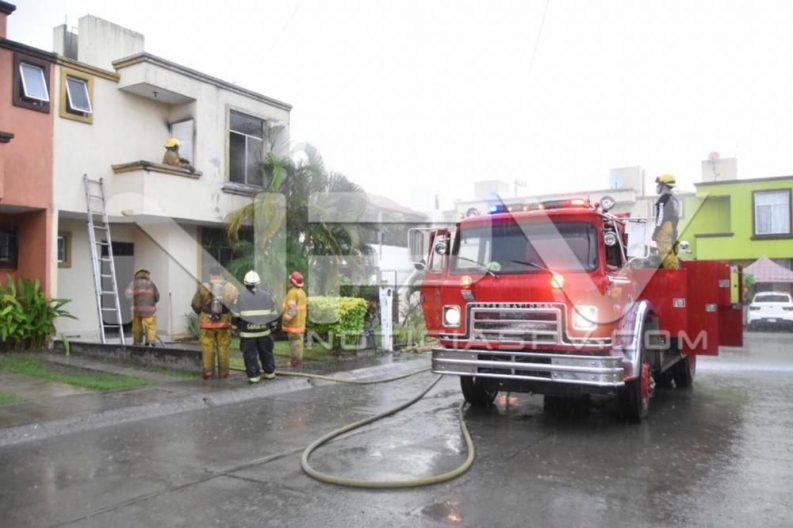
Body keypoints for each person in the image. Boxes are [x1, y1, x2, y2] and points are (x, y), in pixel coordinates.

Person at [191, 267, 239, 379]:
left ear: (210, 274)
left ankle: (208, 373)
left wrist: (202, 314)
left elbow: (195, 304)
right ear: (221, 274)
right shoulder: (231, 287)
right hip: (224, 323)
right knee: (223, 347)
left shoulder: (203, 286)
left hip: (206, 323)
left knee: (207, 347)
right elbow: (236, 304)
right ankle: (224, 373)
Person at [233, 270, 279, 383]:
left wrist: (235, 328)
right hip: (264, 332)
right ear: (258, 283)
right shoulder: (267, 296)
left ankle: (254, 377)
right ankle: (270, 373)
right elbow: (274, 316)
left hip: (247, 334)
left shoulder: (240, 298)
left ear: (245, 283)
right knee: (267, 353)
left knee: (250, 355)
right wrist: (272, 327)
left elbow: (235, 317)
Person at [125, 268, 160, 346]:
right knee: (150, 325)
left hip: (137, 309)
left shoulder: (133, 283)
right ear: (146, 275)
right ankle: (150, 342)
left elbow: (128, 295)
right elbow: (157, 296)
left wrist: (134, 299)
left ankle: (137, 342)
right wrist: (154, 301)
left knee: (137, 326)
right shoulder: (151, 284)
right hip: (149, 310)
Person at [652, 173, 680, 270]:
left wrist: (656, 231)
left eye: (658, 184)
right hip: (672, 226)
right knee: (671, 250)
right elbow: (676, 217)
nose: (657, 187)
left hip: (664, 226)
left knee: (664, 251)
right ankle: (675, 269)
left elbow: (661, 216)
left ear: (663, 185)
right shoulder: (675, 199)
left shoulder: (664, 199)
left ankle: (672, 272)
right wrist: (675, 230)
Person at [282, 271, 307, 367]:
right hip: (300, 323)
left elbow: (292, 310)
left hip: (293, 325)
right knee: (299, 344)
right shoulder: (302, 292)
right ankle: (298, 360)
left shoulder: (292, 293)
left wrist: (285, 320)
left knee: (294, 344)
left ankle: (295, 362)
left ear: (292, 282)